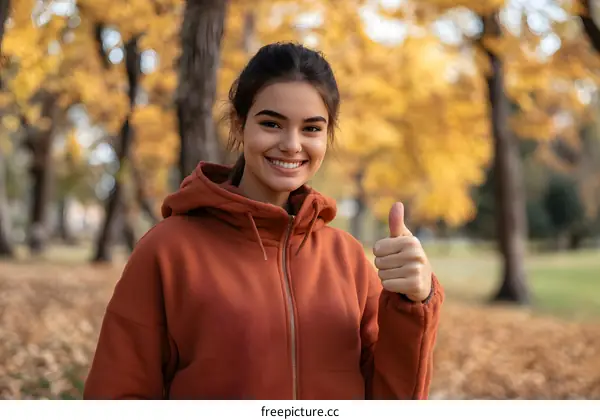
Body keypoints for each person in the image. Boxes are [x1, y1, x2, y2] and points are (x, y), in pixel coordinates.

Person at [83, 42, 444, 400]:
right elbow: (117, 394)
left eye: (311, 129)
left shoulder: (346, 258)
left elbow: (391, 400)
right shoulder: (167, 250)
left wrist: (414, 302)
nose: (291, 144)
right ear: (240, 126)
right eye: (272, 123)